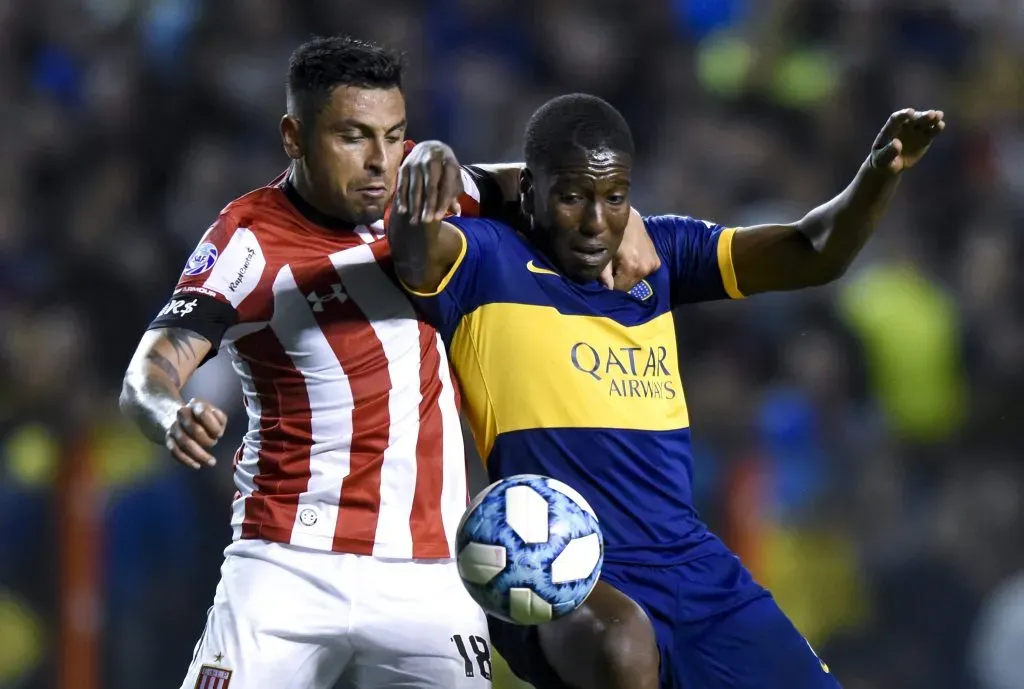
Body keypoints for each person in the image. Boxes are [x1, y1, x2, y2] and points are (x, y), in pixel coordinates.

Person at [119, 38, 656, 689]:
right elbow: (153, 365)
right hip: (285, 565)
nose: (380, 160)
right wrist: (167, 410)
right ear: (295, 135)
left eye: (394, 135)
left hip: (427, 575)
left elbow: (533, 185)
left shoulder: (425, 198)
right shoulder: (248, 240)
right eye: (353, 137)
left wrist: (630, 221)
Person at [389, 93, 944, 689]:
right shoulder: (485, 263)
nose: (597, 222)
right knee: (623, 642)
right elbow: (414, 245)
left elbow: (814, 252)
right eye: (572, 197)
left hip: (693, 568)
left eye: (615, 198)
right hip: (561, 575)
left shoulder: (661, 255)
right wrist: (430, 166)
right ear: (530, 193)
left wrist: (877, 174)